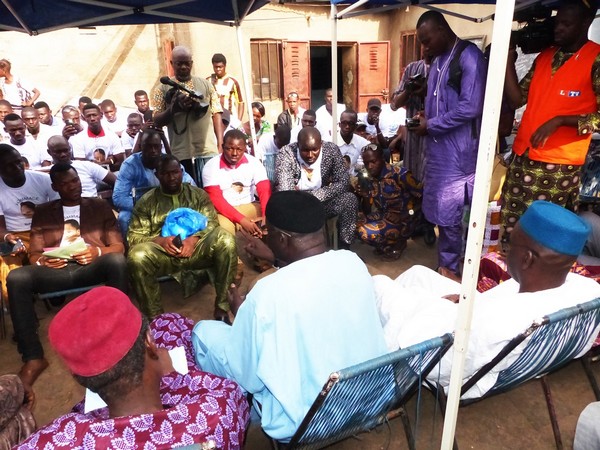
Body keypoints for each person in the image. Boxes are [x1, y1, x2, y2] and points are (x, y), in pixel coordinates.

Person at [192, 190, 388, 441]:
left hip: (306, 421)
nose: (266, 237)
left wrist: (242, 316)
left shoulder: (267, 293)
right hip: (370, 399)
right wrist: (275, 259)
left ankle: (240, 409)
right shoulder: (354, 263)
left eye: (268, 233)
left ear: (282, 239)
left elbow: (246, 375)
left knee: (203, 333)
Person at [376, 201, 600, 399]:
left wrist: (435, 306)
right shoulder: (587, 293)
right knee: (418, 274)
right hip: (478, 322)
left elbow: (438, 361)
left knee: (380, 286)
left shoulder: (502, 323)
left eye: (510, 244)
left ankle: (373, 363)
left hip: (440, 349)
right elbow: (499, 305)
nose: (505, 251)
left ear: (527, 259)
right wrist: (469, 303)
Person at [15, 287, 250, 450]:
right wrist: (173, 376)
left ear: (77, 377)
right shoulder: (220, 408)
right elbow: (224, 390)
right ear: (149, 341)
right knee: (168, 322)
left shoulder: (58, 438)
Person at [7, 163, 128, 400]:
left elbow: (118, 246)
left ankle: (120, 331)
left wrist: (98, 252)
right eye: (65, 183)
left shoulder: (98, 205)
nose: (73, 186)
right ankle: (33, 357)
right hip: (57, 270)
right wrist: (42, 262)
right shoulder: (43, 211)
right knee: (17, 277)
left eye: (74, 180)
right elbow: (34, 254)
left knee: (116, 262)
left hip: (90, 265)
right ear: (54, 187)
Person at [501, 0, 600, 244]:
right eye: (558, 23)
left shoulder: (596, 59)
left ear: (586, 23)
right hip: (523, 155)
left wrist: (561, 120)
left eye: (567, 24)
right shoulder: (546, 57)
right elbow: (516, 99)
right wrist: (506, 62)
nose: (559, 29)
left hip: (558, 167)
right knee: (512, 225)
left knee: (542, 233)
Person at [409, 10, 487, 276]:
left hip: (461, 155)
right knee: (443, 215)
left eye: (427, 40)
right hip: (438, 151)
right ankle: (447, 266)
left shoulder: (469, 56)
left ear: (443, 30)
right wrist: (425, 116)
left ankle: (453, 269)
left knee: (455, 216)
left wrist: (431, 124)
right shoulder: (438, 60)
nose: (425, 46)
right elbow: (439, 104)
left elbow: (471, 107)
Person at [127, 154, 237, 322]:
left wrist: (193, 240)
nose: (171, 177)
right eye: (165, 173)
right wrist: (160, 241)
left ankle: (222, 306)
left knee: (226, 240)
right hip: (164, 255)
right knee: (137, 256)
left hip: (197, 249)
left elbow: (212, 224)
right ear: (157, 175)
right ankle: (156, 318)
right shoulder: (146, 202)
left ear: (181, 172)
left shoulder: (198, 195)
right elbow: (134, 237)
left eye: (175, 172)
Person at [275, 127, 358, 249]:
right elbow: (286, 193)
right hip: (297, 209)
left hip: (322, 203)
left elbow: (343, 182)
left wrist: (316, 195)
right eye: (305, 150)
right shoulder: (286, 153)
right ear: (298, 145)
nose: (310, 155)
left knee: (349, 199)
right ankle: (295, 252)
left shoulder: (331, 150)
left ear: (321, 144)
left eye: (315, 149)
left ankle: (344, 247)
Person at [152, 46, 223, 186]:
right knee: (187, 193)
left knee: (211, 191)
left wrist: (220, 144)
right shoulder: (162, 89)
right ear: (172, 64)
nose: (183, 67)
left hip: (207, 151)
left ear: (192, 63)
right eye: (179, 64)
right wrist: (173, 109)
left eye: (187, 63)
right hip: (179, 154)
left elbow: (216, 113)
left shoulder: (206, 85)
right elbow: (156, 120)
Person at [0, 145, 58, 303]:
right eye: (9, 165)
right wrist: (7, 237)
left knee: (55, 288)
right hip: (15, 235)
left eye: (19, 162)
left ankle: (51, 287)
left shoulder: (42, 180)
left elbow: (58, 212)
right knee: (9, 272)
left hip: (44, 231)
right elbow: (0, 227)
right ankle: (22, 309)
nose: (17, 167)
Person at [113, 129, 195, 237]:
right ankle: (131, 250)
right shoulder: (130, 165)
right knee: (124, 217)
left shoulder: (170, 162)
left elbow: (191, 187)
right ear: (141, 146)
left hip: (172, 206)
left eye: (156, 146)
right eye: (148, 146)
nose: (153, 150)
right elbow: (119, 197)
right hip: (141, 208)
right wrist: (147, 208)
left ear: (161, 147)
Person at [356, 144, 422, 259]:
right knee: (353, 224)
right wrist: (365, 196)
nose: (370, 166)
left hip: (406, 219)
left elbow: (423, 196)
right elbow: (367, 210)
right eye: (366, 163)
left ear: (382, 158)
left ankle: (398, 244)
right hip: (384, 215)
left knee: (364, 232)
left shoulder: (400, 174)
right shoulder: (367, 177)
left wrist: (405, 215)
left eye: (373, 161)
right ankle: (385, 245)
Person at [202, 129, 271, 236]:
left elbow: (264, 191)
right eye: (229, 149)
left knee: (274, 219)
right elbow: (216, 200)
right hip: (224, 211)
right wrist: (242, 220)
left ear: (245, 148)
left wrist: (265, 217)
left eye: (239, 149)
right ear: (222, 146)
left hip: (250, 206)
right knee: (224, 229)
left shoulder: (254, 163)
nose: (234, 153)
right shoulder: (210, 166)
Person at [391, 49, 432, 181]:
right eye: (423, 43)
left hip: (433, 134)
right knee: (411, 177)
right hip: (413, 137)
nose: (426, 47)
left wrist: (426, 91)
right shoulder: (412, 68)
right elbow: (394, 105)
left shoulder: (444, 69)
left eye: (429, 41)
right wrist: (409, 90)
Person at [46, 135, 116, 198]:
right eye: (58, 152)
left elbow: (117, 181)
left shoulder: (87, 165)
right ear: (49, 152)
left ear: (70, 148)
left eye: (66, 150)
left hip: (92, 206)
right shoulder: (46, 174)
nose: (63, 154)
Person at [71, 103, 124, 170]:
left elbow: (120, 161)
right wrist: (109, 161)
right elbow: (81, 165)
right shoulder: (78, 139)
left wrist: (107, 164)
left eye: (94, 115)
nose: (92, 118)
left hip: (112, 172)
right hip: (89, 176)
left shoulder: (112, 136)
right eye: (88, 116)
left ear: (101, 115)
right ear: (84, 118)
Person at [208, 53, 244, 121]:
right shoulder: (208, 81)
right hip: (213, 120)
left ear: (225, 66)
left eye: (220, 67)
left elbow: (241, 102)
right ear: (213, 66)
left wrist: (238, 121)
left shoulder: (233, 82)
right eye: (216, 67)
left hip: (230, 120)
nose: (218, 69)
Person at [337, 109, 371, 175]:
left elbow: (373, 154)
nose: (347, 126)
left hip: (355, 180)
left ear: (355, 126)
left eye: (351, 123)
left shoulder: (362, 142)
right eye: (344, 123)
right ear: (339, 125)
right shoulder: (330, 141)